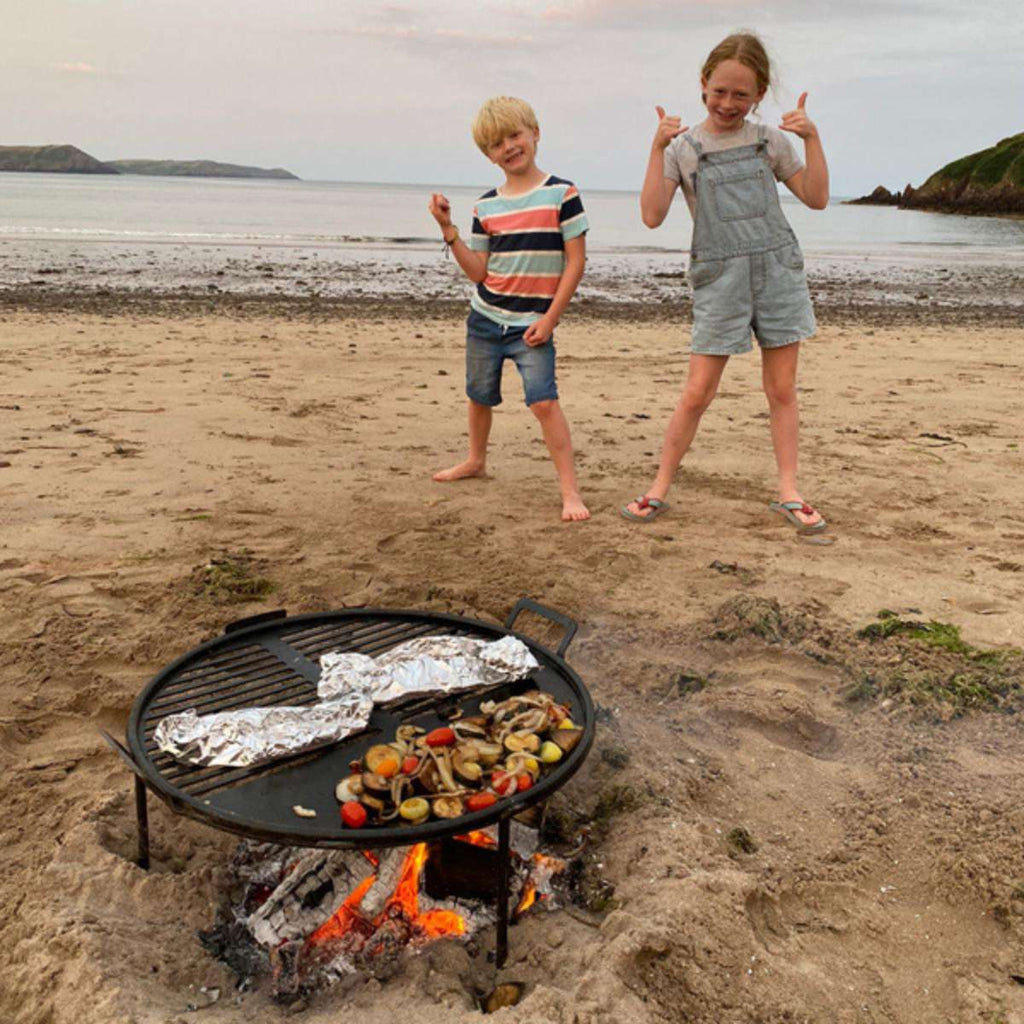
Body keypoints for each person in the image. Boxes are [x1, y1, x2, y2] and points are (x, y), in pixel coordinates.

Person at [620, 31, 829, 531]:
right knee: (697, 392)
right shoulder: (683, 148)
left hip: (778, 273)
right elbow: (651, 215)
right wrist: (656, 148)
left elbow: (817, 198)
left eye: (741, 94)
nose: (728, 104)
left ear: (760, 94)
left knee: (781, 390)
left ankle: (789, 492)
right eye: (719, 92)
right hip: (719, 279)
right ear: (703, 84)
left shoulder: (770, 141)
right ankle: (658, 487)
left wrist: (812, 138)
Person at [427, 96, 591, 522]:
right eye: (497, 143)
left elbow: (575, 262)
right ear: (489, 155)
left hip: (534, 324)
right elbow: (479, 272)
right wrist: (448, 229)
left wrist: (550, 319)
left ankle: (570, 492)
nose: (509, 147)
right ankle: (475, 460)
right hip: (485, 318)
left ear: (535, 133)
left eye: (515, 135)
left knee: (543, 403)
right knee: (478, 396)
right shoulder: (486, 206)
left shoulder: (562, 194)